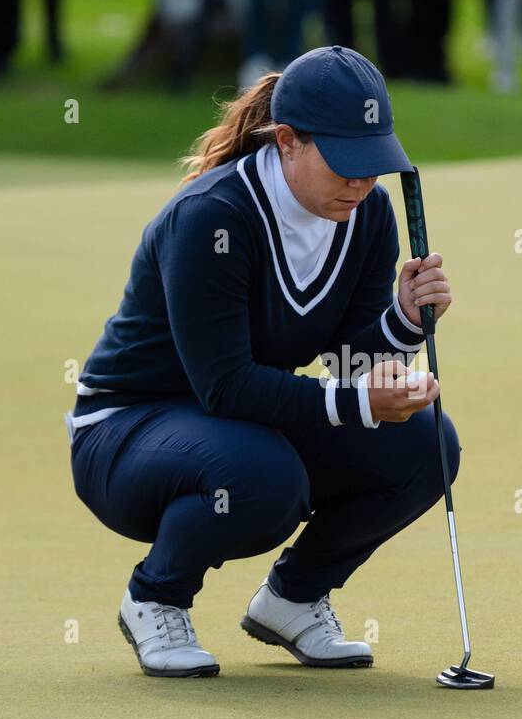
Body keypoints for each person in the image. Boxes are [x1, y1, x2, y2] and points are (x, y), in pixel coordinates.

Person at [68, 46, 462, 678]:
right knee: (266, 477)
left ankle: (294, 598)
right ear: (288, 142)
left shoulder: (367, 216)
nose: (361, 182)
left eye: (374, 165)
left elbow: (352, 362)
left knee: (425, 442)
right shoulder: (212, 217)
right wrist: (359, 403)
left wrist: (404, 320)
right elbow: (225, 386)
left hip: (242, 426)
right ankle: (156, 597)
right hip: (125, 433)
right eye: (346, 163)